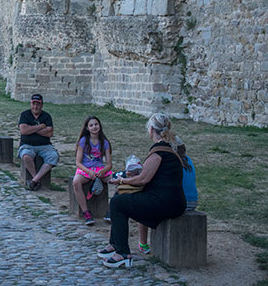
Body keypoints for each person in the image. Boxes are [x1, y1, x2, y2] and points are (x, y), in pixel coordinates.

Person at [98, 113, 187, 267]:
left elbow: (143, 180)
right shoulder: (168, 148)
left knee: (118, 203)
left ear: (151, 129)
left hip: (166, 202)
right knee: (119, 198)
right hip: (172, 200)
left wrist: (121, 180)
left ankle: (123, 253)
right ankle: (114, 244)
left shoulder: (159, 151)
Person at [136, 136, 198, 254]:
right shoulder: (188, 160)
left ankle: (143, 243)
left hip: (179, 202)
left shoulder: (169, 161)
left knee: (142, 204)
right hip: (192, 202)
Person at [72, 115, 112, 225]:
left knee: (119, 180)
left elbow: (109, 164)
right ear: (87, 128)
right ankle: (86, 212)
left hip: (100, 169)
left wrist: (103, 171)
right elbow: (78, 162)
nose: (94, 127)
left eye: (96, 124)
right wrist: (88, 171)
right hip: (86, 168)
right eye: (91, 125)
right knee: (76, 182)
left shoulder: (105, 142)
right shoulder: (83, 141)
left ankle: (111, 211)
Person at [18, 94, 59, 191]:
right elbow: (23, 131)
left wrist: (30, 129)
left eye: (38, 104)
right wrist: (41, 127)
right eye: (33, 104)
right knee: (26, 156)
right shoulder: (25, 114)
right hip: (27, 145)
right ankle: (36, 178)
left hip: (45, 145)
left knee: (54, 156)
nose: (35, 106)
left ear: (42, 105)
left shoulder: (46, 116)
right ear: (31, 104)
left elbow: (50, 133)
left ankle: (34, 180)